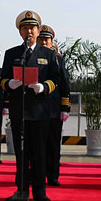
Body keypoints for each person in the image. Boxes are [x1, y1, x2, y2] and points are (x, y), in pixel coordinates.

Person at [1, 10, 59, 201]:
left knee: (40, 152)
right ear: (20, 32)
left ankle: (40, 191)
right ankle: (22, 189)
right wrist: (9, 84)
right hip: (20, 110)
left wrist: (44, 86)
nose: (29, 31)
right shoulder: (12, 53)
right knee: (21, 152)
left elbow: (56, 79)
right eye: (25, 28)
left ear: (38, 30)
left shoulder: (48, 54)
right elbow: (3, 80)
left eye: (32, 28)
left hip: (41, 111)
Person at [37, 25, 71, 187]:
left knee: (52, 144)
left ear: (52, 42)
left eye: (47, 39)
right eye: (41, 39)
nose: (44, 42)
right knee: (37, 145)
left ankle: (52, 175)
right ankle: (37, 175)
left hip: (53, 108)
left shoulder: (58, 59)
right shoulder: (30, 57)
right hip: (35, 108)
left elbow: (64, 83)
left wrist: (65, 107)